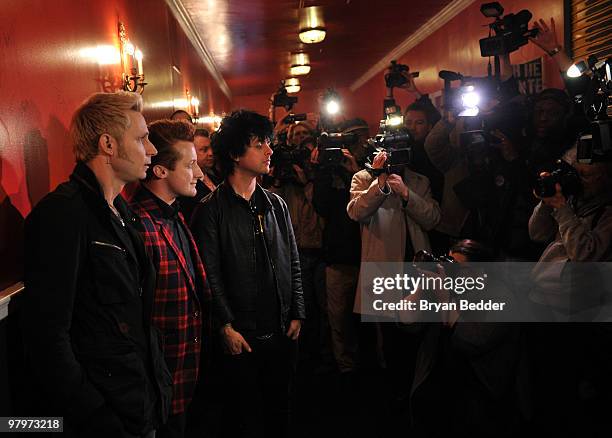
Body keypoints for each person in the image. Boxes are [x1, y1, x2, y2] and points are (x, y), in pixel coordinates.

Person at [22, 91, 171, 437]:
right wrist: (96, 415)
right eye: (141, 138)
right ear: (108, 143)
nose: (151, 150)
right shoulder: (63, 214)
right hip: (104, 417)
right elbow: (47, 337)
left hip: (140, 404)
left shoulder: (124, 214)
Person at [191, 109, 306, 437]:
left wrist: (297, 310)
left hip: (282, 329)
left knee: (280, 410)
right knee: (242, 416)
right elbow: (209, 275)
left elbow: (292, 261)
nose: (269, 151)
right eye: (259, 144)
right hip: (241, 335)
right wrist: (225, 325)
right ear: (234, 152)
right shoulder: (211, 210)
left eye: (268, 143)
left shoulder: (276, 204)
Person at [129, 119, 210, 438]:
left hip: (184, 374)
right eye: (190, 165)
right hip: (160, 384)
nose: (200, 173)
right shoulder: (140, 227)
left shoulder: (174, 215)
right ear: (161, 171)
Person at [179, 128, 220, 221]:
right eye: (204, 149)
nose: (211, 153)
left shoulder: (217, 178)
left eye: (211, 148)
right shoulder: (185, 185)